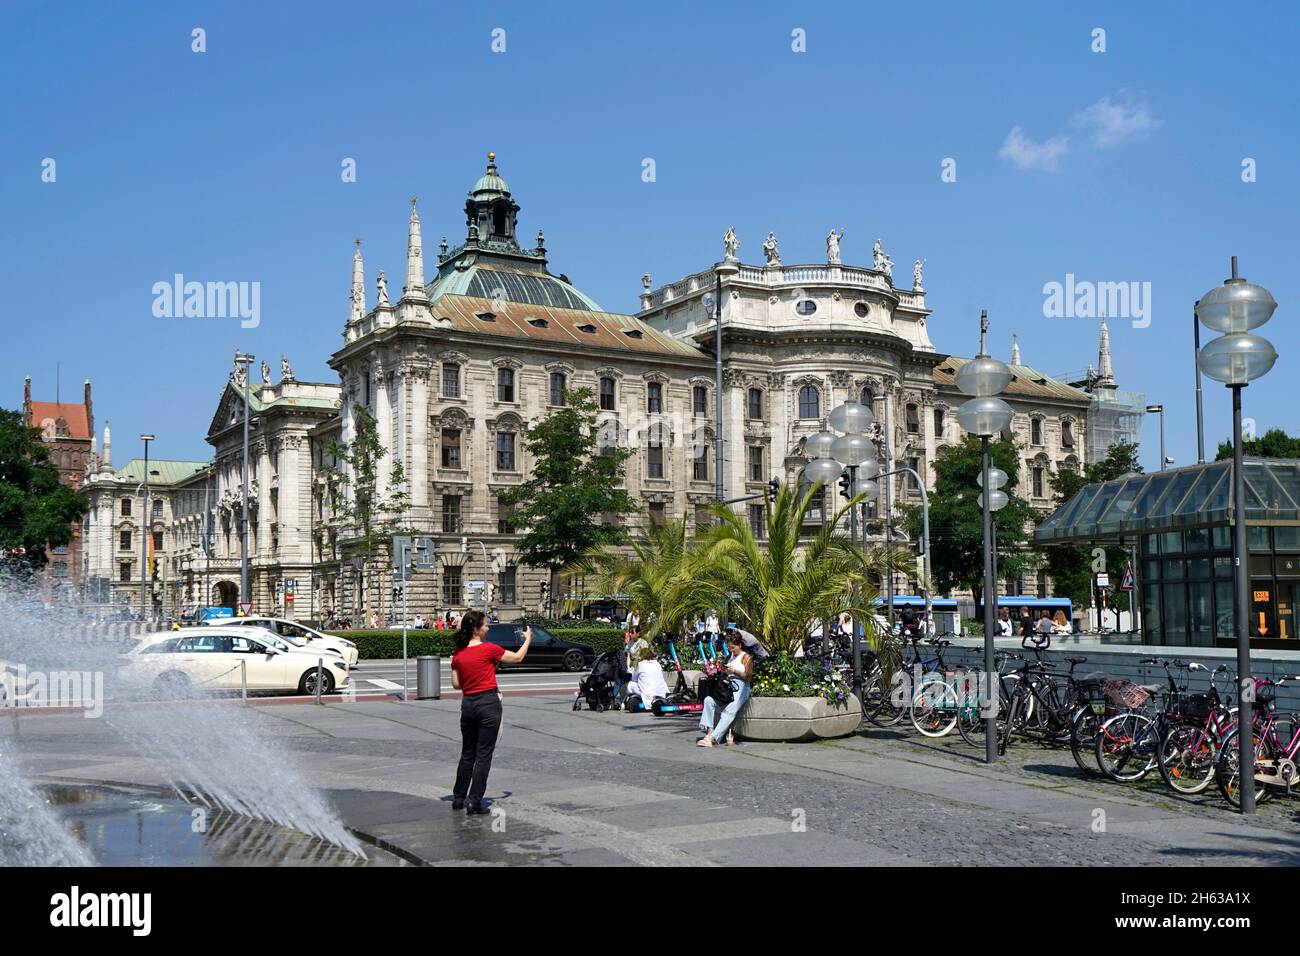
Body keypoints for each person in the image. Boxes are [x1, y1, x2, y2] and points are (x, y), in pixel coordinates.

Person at [450, 611, 532, 814]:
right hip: (488, 703)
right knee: (483, 755)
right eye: (486, 625)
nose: (488, 628)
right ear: (477, 630)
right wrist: (528, 638)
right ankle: (475, 801)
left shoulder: (458, 653)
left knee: (467, 753)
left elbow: (455, 684)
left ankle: (459, 798)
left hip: (468, 704)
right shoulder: (489, 649)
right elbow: (518, 657)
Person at [698, 631, 753, 748]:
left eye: (733, 647)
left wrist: (734, 671)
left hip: (742, 687)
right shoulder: (730, 657)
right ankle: (709, 733)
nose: (731, 650)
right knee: (708, 700)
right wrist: (724, 672)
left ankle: (713, 738)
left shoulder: (746, 657)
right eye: (729, 647)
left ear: (740, 645)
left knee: (730, 710)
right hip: (729, 686)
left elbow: (748, 676)